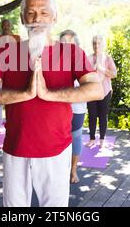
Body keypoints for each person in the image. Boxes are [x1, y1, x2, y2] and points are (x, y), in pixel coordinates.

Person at [0, 0, 104, 207]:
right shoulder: (6, 53)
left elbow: (96, 90)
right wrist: (25, 94)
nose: (37, 19)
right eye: (31, 13)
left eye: (44, 13)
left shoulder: (71, 53)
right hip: (16, 148)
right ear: (22, 18)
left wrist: (48, 94)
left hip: (56, 149)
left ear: (54, 17)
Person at [59, 29, 87, 184]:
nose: (66, 47)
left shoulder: (82, 62)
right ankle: (59, 169)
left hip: (76, 109)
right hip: (58, 109)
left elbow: (89, 88)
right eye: (63, 43)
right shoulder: (53, 63)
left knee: (75, 137)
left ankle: (73, 170)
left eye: (70, 44)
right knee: (58, 139)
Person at [0, 19, 21, 135]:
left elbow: (23, 52)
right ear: (1, 27)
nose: (6, 27)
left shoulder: (17, 38)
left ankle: (12, 125)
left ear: (11, 26)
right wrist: (3, 49)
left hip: (14, 72)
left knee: (12, 100)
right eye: (4, 25)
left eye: (8, 25)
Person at [86, 35, 117, 149]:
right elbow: (84, 75)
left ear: (102, 45)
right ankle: (92, 139)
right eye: (94, 43)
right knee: (92, 115)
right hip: (91, 91)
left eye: (98, 43)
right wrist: (93, 69)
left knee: (103, 116)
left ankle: (102, 140)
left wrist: (101, 69)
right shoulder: (88, 58)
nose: (96, 46)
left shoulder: (108, 58)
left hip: (105, 91)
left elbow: (114, 74)